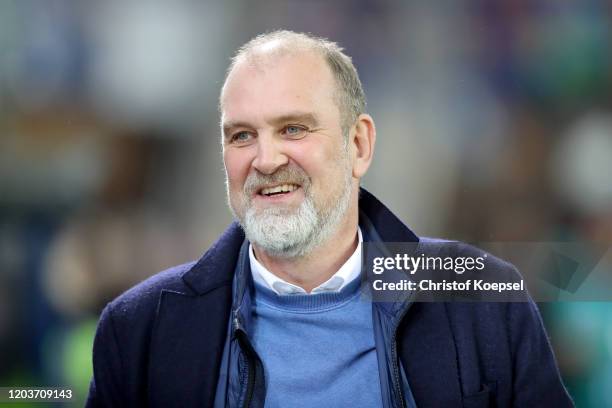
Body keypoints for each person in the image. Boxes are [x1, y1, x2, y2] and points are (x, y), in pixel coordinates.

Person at [86, 30, 573, 408]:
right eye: (241, 136)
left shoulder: (482, 299)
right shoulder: (140, 330)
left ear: (358, 144)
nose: (265, 159)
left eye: (293, 128)